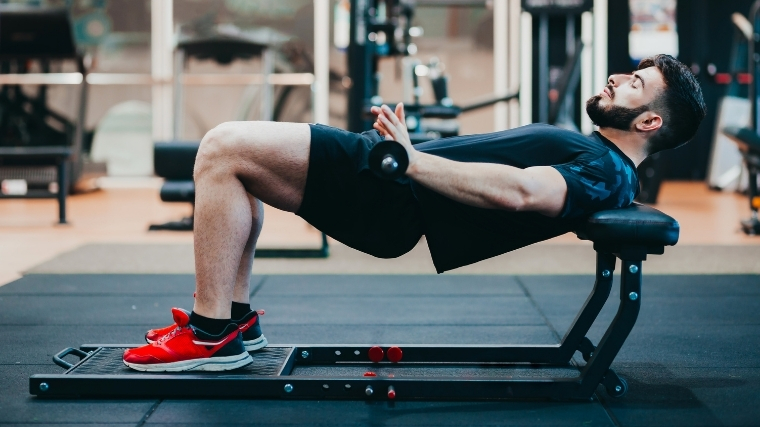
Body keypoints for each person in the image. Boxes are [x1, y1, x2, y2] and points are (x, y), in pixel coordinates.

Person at [122, 54, 706, 372]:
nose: (616, 79)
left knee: (223, 146)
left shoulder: (607, 171)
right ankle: (231, 322)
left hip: (390, 190)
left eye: (633, 84)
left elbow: (524, 193)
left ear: (650, 122)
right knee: (234, 162)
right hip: (393, 180)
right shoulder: (601, 157)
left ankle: (210, 333)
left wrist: (410, 161)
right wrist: (411, 155)